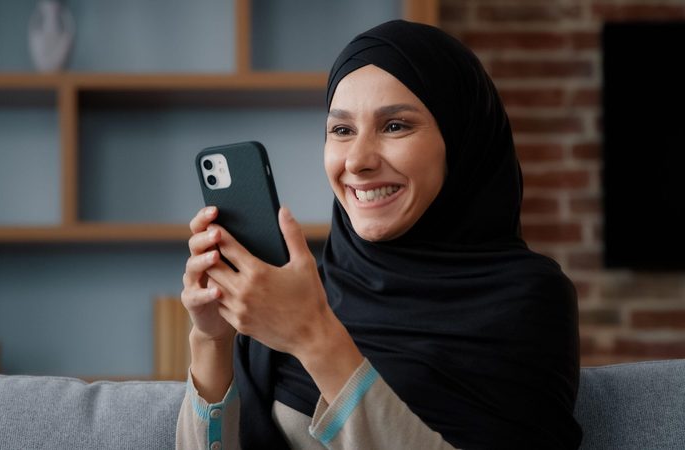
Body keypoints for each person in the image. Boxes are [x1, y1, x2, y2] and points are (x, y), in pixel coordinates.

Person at [177, 19, 582, 450]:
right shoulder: (303, 292)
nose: (358, 161)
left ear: (461, 139)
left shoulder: (528, 300)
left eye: (395, 126)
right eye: (342, 130)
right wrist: (212, 340)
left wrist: (315, 339)